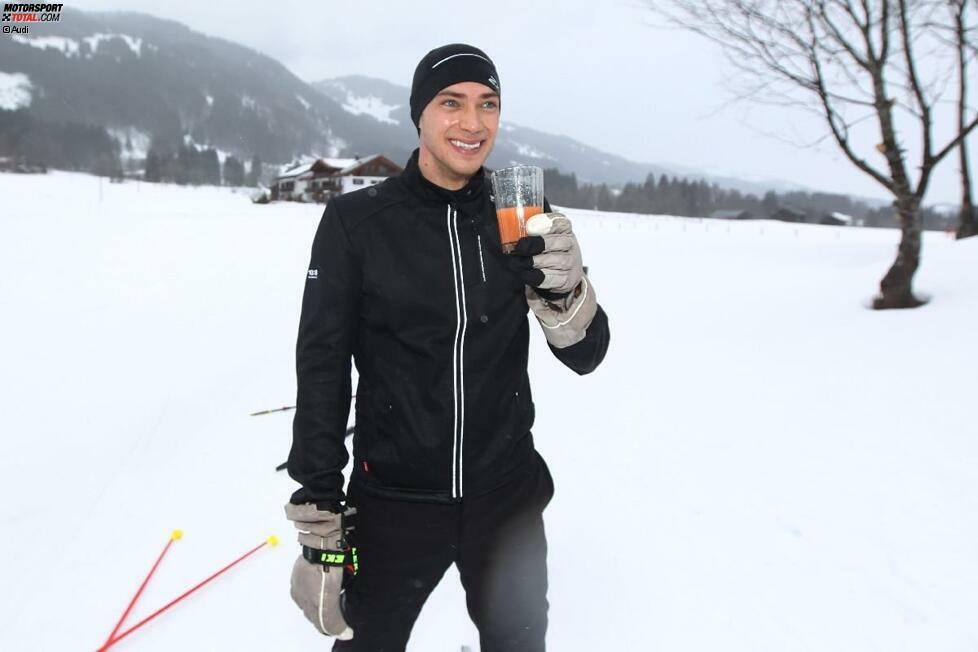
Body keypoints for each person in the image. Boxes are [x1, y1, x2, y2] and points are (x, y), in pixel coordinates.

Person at [284, 43, 610, 652]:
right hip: (391, 504)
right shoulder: (358, 222)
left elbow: (586, 355)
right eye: (451, 103)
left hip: (505, 501)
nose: (473, 122)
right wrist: (320, 521)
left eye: (489, 104)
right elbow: (323, 369)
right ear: (420, 115)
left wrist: (566, 290)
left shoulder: (523, 216)